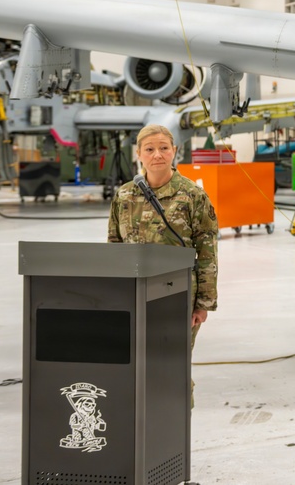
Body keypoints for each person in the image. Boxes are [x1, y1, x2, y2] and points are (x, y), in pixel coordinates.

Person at [108, 124, 218, 403]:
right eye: (150, 149)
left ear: (174, 151)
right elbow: (113, 246)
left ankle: (177, 422)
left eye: (164, 148)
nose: (157, 154)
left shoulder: (193, 196)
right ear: (139, 154)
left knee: (173, 363)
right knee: (134, 361)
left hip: (178, 295)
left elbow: (207, 252)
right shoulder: (124, 195)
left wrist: (203, 303)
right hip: (133, 295)